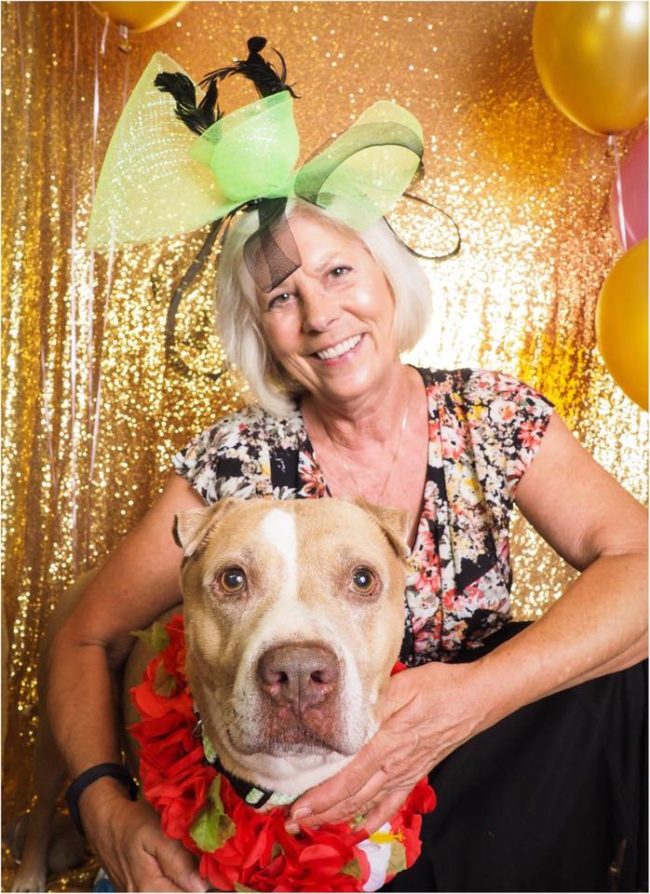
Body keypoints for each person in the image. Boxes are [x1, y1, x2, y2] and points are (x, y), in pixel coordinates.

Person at [47, 39, 647, 893]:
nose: (321, 314)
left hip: (482, 783)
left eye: (337, 271)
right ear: (263, 335)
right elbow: (86, 633)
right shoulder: (237, 460)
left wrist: (470, 698)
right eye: (282, 298)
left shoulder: (490, 414)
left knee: (634, 676)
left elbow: (645, 564)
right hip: (301, 806)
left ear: (387, 278)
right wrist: (103, 805)